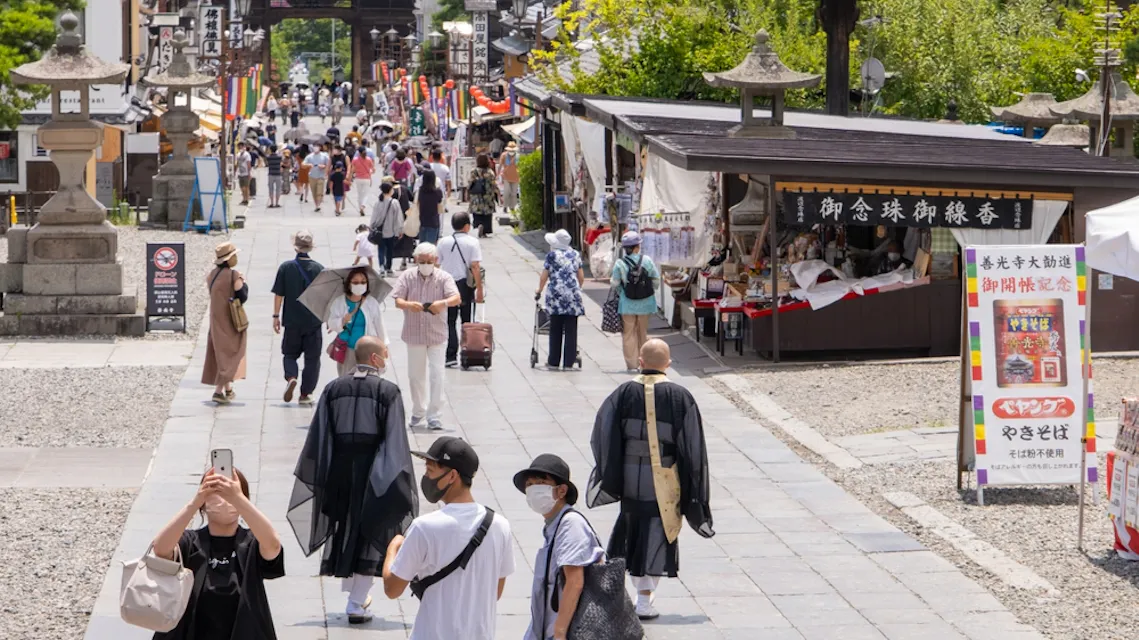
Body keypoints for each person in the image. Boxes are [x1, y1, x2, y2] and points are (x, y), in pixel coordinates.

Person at [288, 337, 418, 625]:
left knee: (346, 528)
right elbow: (394, 440)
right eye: (384, 353)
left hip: (340, 470)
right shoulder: (388, 391)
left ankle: (356, 595)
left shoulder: (334, 389)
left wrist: (324, 473)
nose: (387, 357)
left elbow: (321, 435)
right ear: (375, 359)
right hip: (374, 470)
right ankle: (356, 602)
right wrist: (396, 480)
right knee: (371, 532)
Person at [589, 339, 715, 620]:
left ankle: (631, 594)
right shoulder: (680, 397)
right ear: (668, 365)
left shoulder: (622, 393)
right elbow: (693, 446)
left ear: (641, 362)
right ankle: (644, 600)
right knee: (659, 532)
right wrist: (691, 482)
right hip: (666, 479)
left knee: (633, 530)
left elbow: (602, 435)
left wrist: (614, 472)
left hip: (632, 477)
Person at [382, 436, 515, 639]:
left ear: (452, 476)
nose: (426, 478)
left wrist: (393, 548)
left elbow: (392, 589)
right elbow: (494, 592)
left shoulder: (424, 527)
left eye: (430, 470)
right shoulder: (500, 525)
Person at [151, 467, 284, 640]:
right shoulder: (190, 541)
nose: (224, 499)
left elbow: (273, 545)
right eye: (216, 491)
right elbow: (160, 548)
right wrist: (195, 502)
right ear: (204, 503)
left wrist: (237, 498)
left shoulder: (252, 543)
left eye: (230, 492)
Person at [515, 454, 604, 640]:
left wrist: (560, 632)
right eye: (529, 484)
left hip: (568, 632)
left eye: (540, 482)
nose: (533, 489)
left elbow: (575, 580)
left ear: (561, 491)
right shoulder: (553, 525)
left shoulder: (570, 524)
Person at [390, 243, 460, 429]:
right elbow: (397, 299)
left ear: (436, 260)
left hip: (437, 333)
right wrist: (408, 305)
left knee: (437, 374)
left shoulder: (444, 277)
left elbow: (456, 298)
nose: (426, 265)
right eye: (422, 261)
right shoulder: (407, 276)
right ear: (416, 260)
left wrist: (442, 303)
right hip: (414, 334)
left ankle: (434, 414)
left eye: (429, 261)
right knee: (415, 376)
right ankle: (418, 410)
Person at [272, 230, 324, 406]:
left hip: (292, 321)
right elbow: (326, 296)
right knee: (312, 359)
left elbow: (279, 294)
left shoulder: (286, 268)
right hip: (314, 321)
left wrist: (275, 316)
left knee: (289, 354)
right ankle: (305, 393)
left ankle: (291, 376)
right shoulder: (319, 269)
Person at [436, 213, 484, 368]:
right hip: (465, 286)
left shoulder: (443, 242)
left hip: (447, 284)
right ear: (467, 226)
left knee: (449, 321)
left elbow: (437, 264)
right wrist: (480, 290)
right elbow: (475, 267)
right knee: (466, 321)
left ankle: (450, 355)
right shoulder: (472, 242)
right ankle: (466, 353)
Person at [203, 242, 247, 405]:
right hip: (230, 319)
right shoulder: (234, 275)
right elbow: (242, 295)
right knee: (232, 352)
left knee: (220, 352)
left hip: (215, 319)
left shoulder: (211, 275)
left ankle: (227, 390)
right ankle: (218, 391)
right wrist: (243, 281)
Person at [611, 231, 659, 372]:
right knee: (642, 333)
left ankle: (632, 365)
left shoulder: (620, 263)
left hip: (627, 304)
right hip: (646, 303)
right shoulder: (647, 260)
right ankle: (644, 362)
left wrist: (622, 291)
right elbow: (655, 281)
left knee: (628, 334)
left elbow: (614, 283)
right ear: (637, 247)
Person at [326, 267, 388, 376]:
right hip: (347, 349)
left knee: (369, 379)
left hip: (367, 350)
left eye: (363, 282)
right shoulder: (340, 302)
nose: (359, 285)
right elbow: (332, 322)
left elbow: (379, 325)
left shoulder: (371, 302)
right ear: (349, 284)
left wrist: (383, 346)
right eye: (355, 282)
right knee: (346, 379)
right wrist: (342, 321)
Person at [537, 229, 585, 370]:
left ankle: (553, 361)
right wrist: (575, 289)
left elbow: (544, 276)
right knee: (571, 329)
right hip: (573, 296)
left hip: (556, 296)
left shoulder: (551, 256)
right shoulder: (575, 255)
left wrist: (539, 290)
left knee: (555, 327)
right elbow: (581, 277)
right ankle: (569, 362)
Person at [370, 182, 403, 276]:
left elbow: (374, 216)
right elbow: (398, 218)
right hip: (390, 231)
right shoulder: (394, 202)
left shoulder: (378, 202)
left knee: (381, 249)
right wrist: (400, 230)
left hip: (379, 231)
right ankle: (388, 267)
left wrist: (372, 226)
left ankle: (381, 267)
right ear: (390, 190)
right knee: (389, 250)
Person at [467, 153, 499, 237]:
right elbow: (494, 185)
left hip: (476, 196)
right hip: (487, 196)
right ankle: (485, 230)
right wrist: (498, 194)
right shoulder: (490, 172)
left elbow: (470, 183)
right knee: (487, 214)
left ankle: (478, 225)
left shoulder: (474, 171)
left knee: (477, 212)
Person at [416, 170, 444, 245]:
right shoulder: (437, 192)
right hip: (433, 222)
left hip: (422, 221)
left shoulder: (420, 191)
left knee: (422, 246)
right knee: (431, 248)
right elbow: (440, 202)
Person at [350, 144, 375, 217]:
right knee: (366, 194)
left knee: (359, 194)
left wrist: (350, 178)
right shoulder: (368, 159)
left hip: (358, 178)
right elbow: (373, 170)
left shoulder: (355, 160)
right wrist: (370, 172)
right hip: (367, 178)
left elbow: (352, 170)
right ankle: (363, 206)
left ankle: (360, 207)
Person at [305, 143, 330, 213]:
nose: (315, 148)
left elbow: (329, 164)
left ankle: (318, 205)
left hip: (321, 176)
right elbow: (303, 164)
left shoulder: (324, 156)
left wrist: (324, 168)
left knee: (319, 191)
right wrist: (308, 165)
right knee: (314, 192)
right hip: (312, 176)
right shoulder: (310, 156)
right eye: (314, 147)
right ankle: (316, 204)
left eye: (317, 147)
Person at [498, 141, 521, 214]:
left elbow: (520, 165)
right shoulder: (504, 155)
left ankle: (512, 207)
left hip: (516, 177)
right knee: (506, 192)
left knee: (514, 193)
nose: (511, 151)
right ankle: (505, 207)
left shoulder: (518, 156)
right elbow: (500, 165)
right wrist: (498, 174)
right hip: (506, 176)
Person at [329, 146, 348, 217]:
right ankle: (337, 210)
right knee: (339, 200)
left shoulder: (332, 174)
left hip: (334, 188)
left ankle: (337, 209)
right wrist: (349, 183)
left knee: (336, 199)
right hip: (340, 189)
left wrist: (330, 189)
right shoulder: (342, 174)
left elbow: (331, 182)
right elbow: (344, 181)